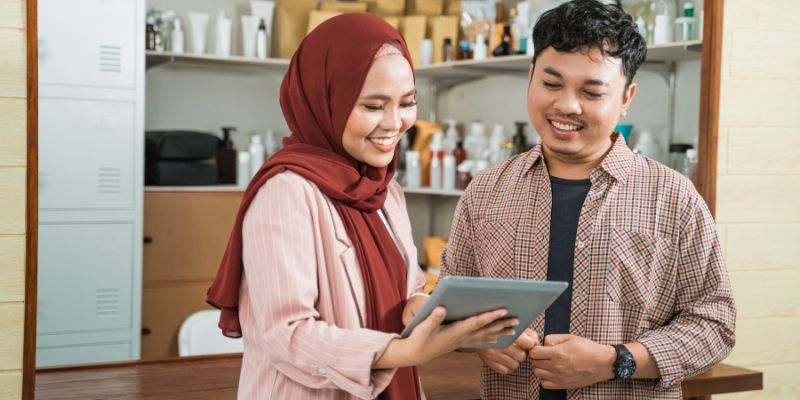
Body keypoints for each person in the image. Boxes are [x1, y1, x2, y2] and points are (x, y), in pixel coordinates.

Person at [206, 13, 515, 400]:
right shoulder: (285, 193)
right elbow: (285, 333)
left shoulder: (385, 191)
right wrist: (404, 351)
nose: (395, 123)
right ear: (324, 101)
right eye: (372, 106)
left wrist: (441, 318)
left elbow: (406, 291)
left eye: (407, 103)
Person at [440, 1, 736, 399]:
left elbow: (716, 324)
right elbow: (447, 305)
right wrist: (478, 338)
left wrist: (616, 360)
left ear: (626, 97)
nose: (566, 105)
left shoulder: (673, 196)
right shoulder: (487, 190)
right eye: (551, 84)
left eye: (592, 91)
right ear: (530, 78)